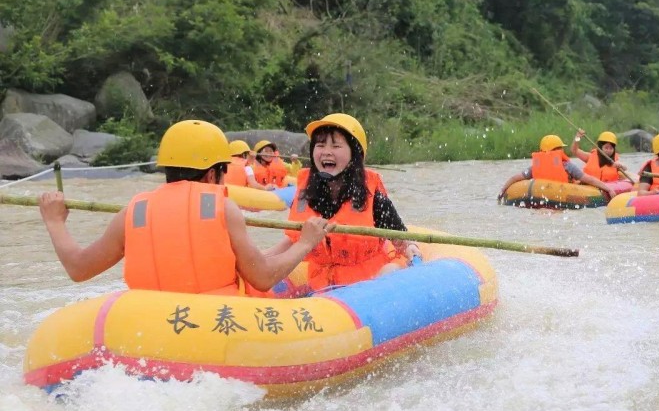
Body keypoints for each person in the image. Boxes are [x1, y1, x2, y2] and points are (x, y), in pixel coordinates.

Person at [38, 120, 331, 295]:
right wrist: (305, 243)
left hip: (150, 324)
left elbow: (78, 269)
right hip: (213, 331)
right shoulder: (222, 207)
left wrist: (54, 222)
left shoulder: (133, 210)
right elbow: (263, 278)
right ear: (211, 173)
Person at [265, 113, 422, 292]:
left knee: (391, 270)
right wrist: (258, 260)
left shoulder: (374, 199)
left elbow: (400, 240)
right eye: (320, 145)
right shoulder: (306, 194)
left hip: (369, 284)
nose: (326, 151)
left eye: (336, 145)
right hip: (322, 287)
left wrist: (411, 248)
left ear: (355, 155)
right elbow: (293, 241)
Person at [497, 134, 618, 201]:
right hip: (560, 198)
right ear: (558, 150)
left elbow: (514, 178)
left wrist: (503, 191)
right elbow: (589, 179)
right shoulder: (566, 165)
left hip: (537, 197)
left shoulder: (535, 167)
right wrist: (608, 189)